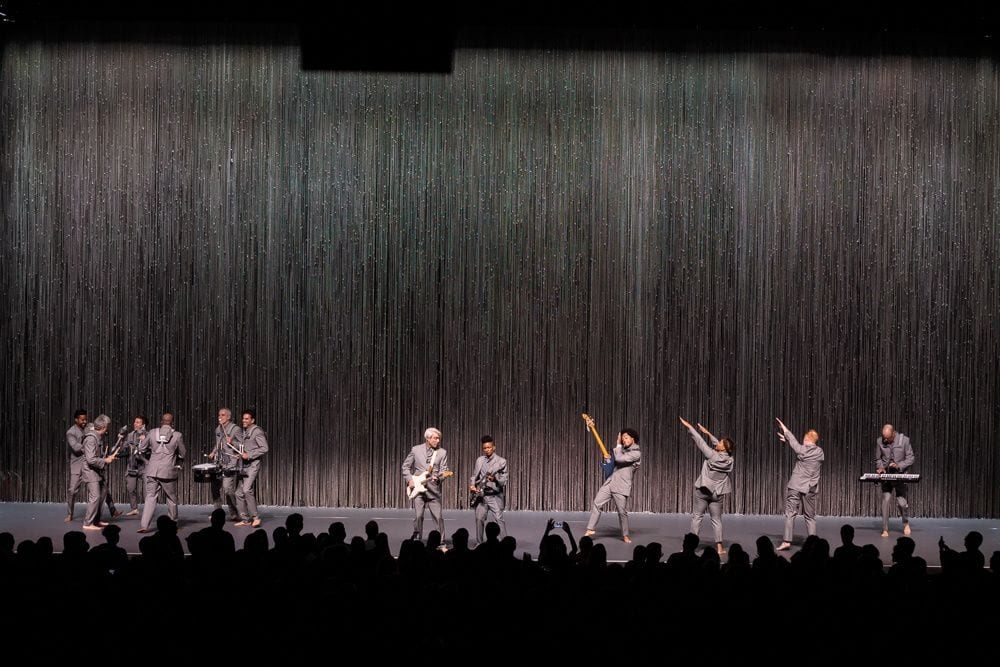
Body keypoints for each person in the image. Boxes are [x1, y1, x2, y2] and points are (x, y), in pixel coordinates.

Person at [679, 417, 734, 556]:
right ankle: (719, 548)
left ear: (723, 447)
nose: (718, 442)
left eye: (720, 442)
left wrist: (689, 427)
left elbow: (699, 441)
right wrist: (708, 433)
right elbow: (718, 446)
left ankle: (689, 548)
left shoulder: (712, 455)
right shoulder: (730, 459)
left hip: (703, 491)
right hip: (717, 494)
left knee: (697, 517)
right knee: (716, 520)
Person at [584, 427, 641, 543]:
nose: (623, 440)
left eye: (626, 438)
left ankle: (625, 535)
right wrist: (609, 460)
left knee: (622, 512)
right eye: (622, 438)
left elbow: (620, 459)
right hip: (610, 482)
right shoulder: (621, 450)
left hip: (621, 486)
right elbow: (614, 464)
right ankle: (590, 529)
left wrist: (618, 445)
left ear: (633, 439)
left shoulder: (636, 453)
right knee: (597, 503)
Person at [775, 417, 824, 551]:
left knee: (790, 513)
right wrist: (789, 441)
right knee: (810, 517)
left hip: (796, 485)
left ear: (807, 439)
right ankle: (813, 543)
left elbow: (796, 445)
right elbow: (797, 447)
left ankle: (786, 541)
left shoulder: (802, 450)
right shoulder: (820, 452)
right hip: (810, 487)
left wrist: (784, 429)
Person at [138, 412, 186, 533]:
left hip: (152, 471)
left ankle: (144, 526)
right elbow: (183, 453)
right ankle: (173, 525)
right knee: (171, 498)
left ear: (161, 422)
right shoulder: (177, 435)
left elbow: (141, 449)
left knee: (150, 498)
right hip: (167, 472)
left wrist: (149, 457)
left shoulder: (152, 433)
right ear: (172, 423)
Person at [401, 427, 450, 540]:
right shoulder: (416, 450)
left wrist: (438, 478)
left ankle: (441, 542)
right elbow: (405, 467)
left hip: (433, 491)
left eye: (439, 438)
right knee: (418, 516)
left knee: (438, 518)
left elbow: (444, 470)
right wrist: (409, 480)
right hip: (418, 489)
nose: (438, 440)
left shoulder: (442, 452)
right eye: (435, 438)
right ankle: (417, 540)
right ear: (428, 438)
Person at [875, 424, 915, 537]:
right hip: (886, 476)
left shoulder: (905, 440)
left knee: (902, 503)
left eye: (888, 438)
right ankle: (885, 529)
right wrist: (881, 467)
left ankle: (905, 523)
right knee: (886, 500)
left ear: (893, 433)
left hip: (899, 476)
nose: (886, 440)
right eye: (884, 438)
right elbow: (878, 459)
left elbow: (911, 458)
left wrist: (899, 465)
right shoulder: (879, 441)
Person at [469, 435, 508, 543]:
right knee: (479, 519)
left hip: (494, 495)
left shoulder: (501, 461)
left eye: (489, 447)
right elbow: (474, 476)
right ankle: (479, 544)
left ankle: (504, 544)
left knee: (499, 520)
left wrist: (495, 479)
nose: (487, 450)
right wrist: (472, 485)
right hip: (481, 496)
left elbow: (503, 481)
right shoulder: (479, 460)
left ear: (493, 447)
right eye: (485, 448)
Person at [82, 415, 117, 530]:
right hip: (90, 471)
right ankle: (88, 523)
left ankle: (96, 520)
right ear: (103, 427)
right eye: (107, 426)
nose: (108, 429)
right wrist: (105, 460)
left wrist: (107, 457)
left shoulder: (98, 437)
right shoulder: (91, 439)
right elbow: (91, 459)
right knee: (95, 496)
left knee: (102, 494)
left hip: (97, 471)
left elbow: (97, 455)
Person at [234, 410, 268, 528]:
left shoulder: (257, 431)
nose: (243, 420)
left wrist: (249, 455)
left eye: (246, 419)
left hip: (253, 464)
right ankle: (245, 519)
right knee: (238, 493)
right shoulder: (245, 431)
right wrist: (238, 451)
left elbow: (264, 448)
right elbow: (247, 446)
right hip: (244, 465)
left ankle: (256, 517)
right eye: (243, 418)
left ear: (252, 420)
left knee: (246, 490)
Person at [207, 407, 242, 520]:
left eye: (222, 415)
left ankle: (234, 513)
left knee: (227, 489)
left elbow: (242, 445)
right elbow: (218, 444)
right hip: (219, 461)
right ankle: (217, 512)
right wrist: (213, 452)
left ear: (228, 417)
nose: (220, 417)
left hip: (230, 462)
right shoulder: (218, 429)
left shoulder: (235, 429)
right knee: (215, 487)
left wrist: (233, 442)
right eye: (219, 415)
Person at [65, 409, 88, 522]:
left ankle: (113, 510)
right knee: (72, 490)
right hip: (77, 464)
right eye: (82, 420)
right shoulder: (71, 432)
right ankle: (70, 514)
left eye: (85, 419)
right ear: (76, 420)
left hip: (89, 462)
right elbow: (75, 447)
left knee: (101, 485)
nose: (85, 421)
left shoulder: (89, 427)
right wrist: (89, 446)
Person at [123, 416, 148, 516]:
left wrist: (145, 440)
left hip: (144, 466)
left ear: (143, 425)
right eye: (135, 422)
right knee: (131, 488)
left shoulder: (148, 435)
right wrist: (121, 440)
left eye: (138, 422)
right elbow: (124, 447)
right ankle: (134, 509)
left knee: (147, 491)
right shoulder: (130, 435)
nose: (135, 424)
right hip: (132, 465)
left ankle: (148, 510)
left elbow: (152, 449)